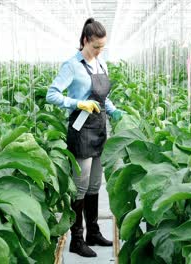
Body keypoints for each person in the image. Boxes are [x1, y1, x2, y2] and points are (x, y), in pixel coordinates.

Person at [46, 18, 125, 258]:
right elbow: (52, 94)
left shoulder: (101, 64)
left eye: (102, 47)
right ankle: (76, 240)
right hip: (81, 131)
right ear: (84, 41)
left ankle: (93, 232)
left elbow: (102, 97)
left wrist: (114, 110)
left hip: (100, 130)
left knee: (94, 185)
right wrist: (77, 102)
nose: (100, 51)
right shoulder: (72, 66)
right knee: (80, 187)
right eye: (96, 47)